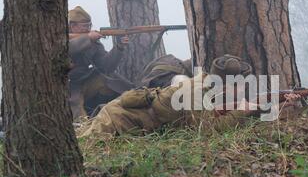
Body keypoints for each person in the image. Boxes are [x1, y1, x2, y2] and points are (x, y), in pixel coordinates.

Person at [80, 55, 259, 138]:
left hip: (122, 117)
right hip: (116, 122)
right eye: (240, 84)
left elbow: (199, 116)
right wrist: (243, 110)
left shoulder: (203, 83)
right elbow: (208, 130)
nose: (242, 89)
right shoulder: (196, 91)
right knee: (77, 151)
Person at [68, 6, 134, 119]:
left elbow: (106, 66)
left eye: (89, 25)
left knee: (112, 80)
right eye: (84, 26)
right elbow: (69, 47)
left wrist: (119, 48)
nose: (88, 29)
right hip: (68, 85)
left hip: (85, 81)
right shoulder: (60, 38)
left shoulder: (93, 42)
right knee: (76, 108)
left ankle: (134, 97)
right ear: (73, 26)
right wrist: (87, 38)